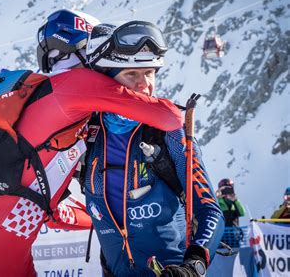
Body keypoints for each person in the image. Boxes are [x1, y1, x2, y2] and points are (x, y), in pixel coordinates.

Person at [0, 10, 184, 276]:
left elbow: (50, 209)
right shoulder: (80, 84)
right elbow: (169, 117)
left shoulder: (43, 102)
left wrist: (107, 222)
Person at [82, 21, 225, 276]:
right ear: (105, 80)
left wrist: (194, 265)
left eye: (149, 73)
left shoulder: (169, 131)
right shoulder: (87, 133)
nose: (144, 84)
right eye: (132, 74)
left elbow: (211, 211)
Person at [216, 178, 245, 248]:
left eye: (229, 188)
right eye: (225, 189)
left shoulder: (234, 202)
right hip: (222, 237)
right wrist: (217, 197)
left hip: (234, 236)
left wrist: (235, 200)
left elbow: (242, 213)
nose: (227, 191)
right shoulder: (218, 202)